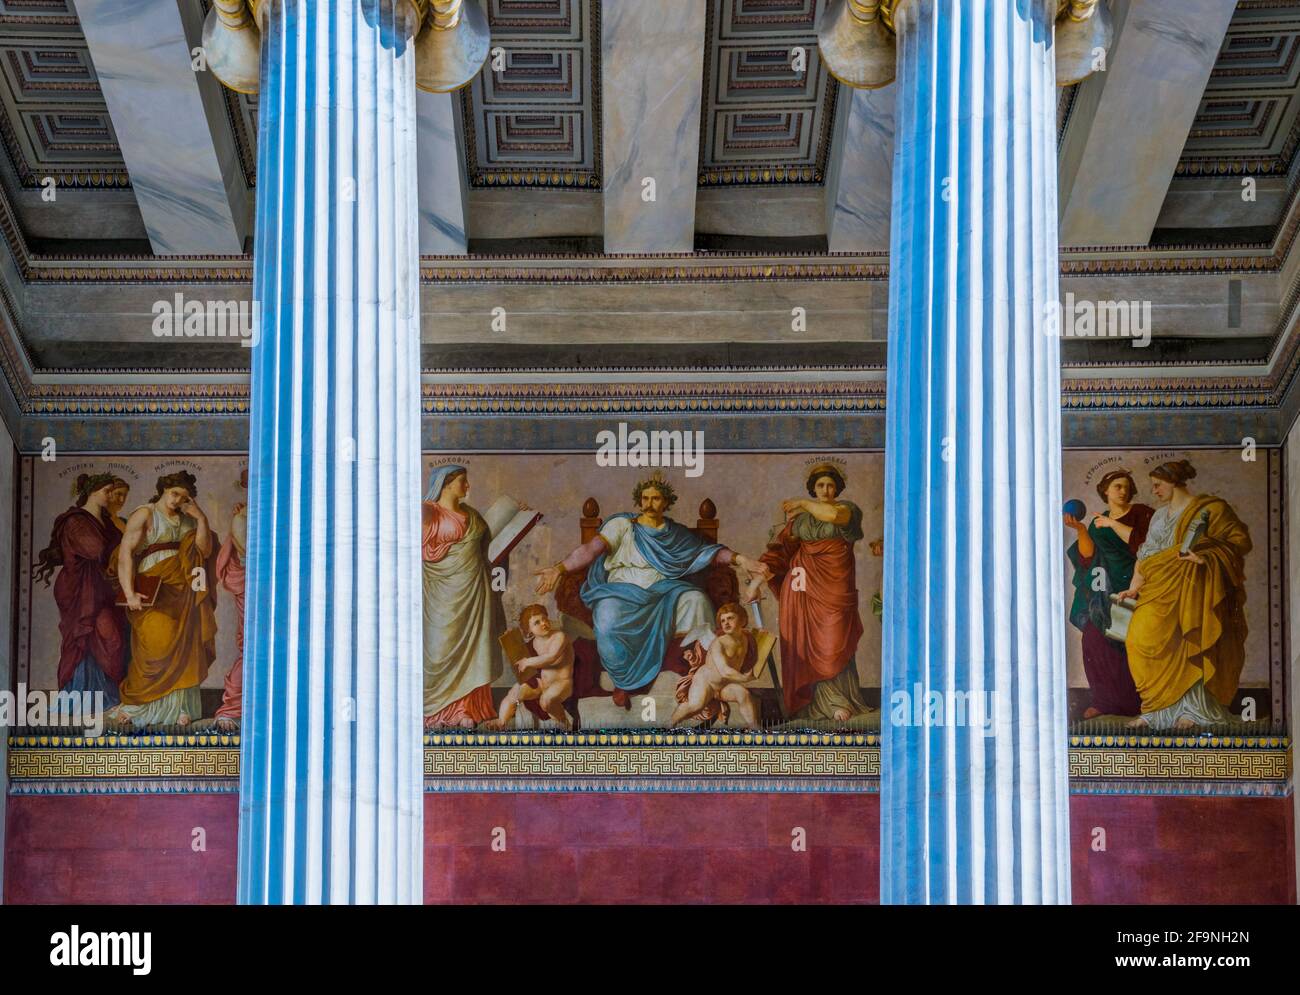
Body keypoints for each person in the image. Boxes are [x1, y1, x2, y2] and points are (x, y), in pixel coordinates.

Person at [534, 471, 768, 700]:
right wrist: (558, 568)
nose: (649, 504)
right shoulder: (622, 525)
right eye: (645, 498)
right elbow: (590, 550)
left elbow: (711, 553)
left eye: (655, 498)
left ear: (666, 502)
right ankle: (623, 682)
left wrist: (742, 559)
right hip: (621, 591)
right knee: (606, 618)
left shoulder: (675, 534)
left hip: (664, 591)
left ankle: (698, 675)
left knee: (697, 601)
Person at [1114, 460, 1252, 731]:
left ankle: (1194, 710)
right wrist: (1133, 587)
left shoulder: (1211, 509)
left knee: (1191, 641)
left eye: (1158, 484)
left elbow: (1239, 543)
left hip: (1193, 585)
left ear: (1174, 481)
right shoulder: (1158, 516)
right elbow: (1145, 557)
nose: (1154, 490)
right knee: (1138, 640)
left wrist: (1205, 558)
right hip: (1158, 588)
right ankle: (1155, 711)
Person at [757, 461, 871, 723]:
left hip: (835, 589)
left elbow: (833, 517)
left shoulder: (848, 510)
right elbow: (780, 553)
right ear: (813, 488)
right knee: (807, 647)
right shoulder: (801, 522)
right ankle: (820, 703)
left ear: (838, 488)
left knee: (833, 642)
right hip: (803, 591)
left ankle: (842, 697)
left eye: (831, 485)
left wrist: (802, 503)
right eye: (820, 485)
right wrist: (756, 582)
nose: (826, 489)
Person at [107, 471, 218, 728]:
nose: (178, 500)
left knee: (184, 645)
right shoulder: (145, 514)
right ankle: (137, 707)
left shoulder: (188, 520)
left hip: (183, 590)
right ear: (163, 491)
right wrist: (130, 591)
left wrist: (201, 517)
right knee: (154, 644)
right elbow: (125, 553)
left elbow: (203, 550)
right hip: (153, 588)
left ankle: (179, 707)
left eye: (184, 497)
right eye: (174, 494)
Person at [1063, 469, 1154, 718]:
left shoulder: (1141, 514)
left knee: (1130, 643)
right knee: (1094, 638)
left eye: (1126, 486)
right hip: (1106, 589)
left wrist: (1113, 524)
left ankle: (1138, 702)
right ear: (1105, 490)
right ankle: (1104, 702)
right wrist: (1082, 530)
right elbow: (1088, 557)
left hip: (1139, 584)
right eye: (1117, 486)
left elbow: (1149, 545)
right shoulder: (1097, 521)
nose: (1123, 491)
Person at [32, 473, 128, 704]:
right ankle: (79, 697)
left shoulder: (107, 521)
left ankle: (108, 695)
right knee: (83, 638)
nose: (111, 496)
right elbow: (97, 550)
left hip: (102, 588)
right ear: (92, 492)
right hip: (80, 589)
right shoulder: (76, 520)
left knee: (112, 637)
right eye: (107, 491)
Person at [422, 464, 505, 729]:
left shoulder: (473, 515)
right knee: (440, 646)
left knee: (474, 650)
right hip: (440, 595)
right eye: (462, 481)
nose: (467, 486)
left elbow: (485, 549)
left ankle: (467, 709)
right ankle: (437, 712)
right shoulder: (428, 514)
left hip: (475, 592)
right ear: (446, 484)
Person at [670, 603, 760, 728]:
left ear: (742, 620)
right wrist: (744, 678)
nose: (726, 623)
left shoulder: (747, 639)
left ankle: (755, 729)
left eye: (730, 618)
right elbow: (724, 671)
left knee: (743, 694)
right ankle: (670, 726)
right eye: (723, 621)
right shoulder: (719, 643)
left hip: (724, 685)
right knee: (695, 706)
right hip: (707, 682)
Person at [486, 605, 574, 730]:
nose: (543, 623)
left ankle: (565, 724)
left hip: (562, 684)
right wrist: (511, 641)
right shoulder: (533, 643)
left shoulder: (559, 636)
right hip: (542, 683)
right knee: (515, 693)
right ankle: (502, 721)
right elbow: (519, 660)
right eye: (537, 622)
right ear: (529, 629)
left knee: (546, 701)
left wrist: (527, 661)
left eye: (544, 619)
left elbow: (551, 657)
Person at [213, 469, 248, 730]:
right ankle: (232, 708)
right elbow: (249, 553)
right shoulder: (243, 516)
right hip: (255, 588)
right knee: (251, 648)